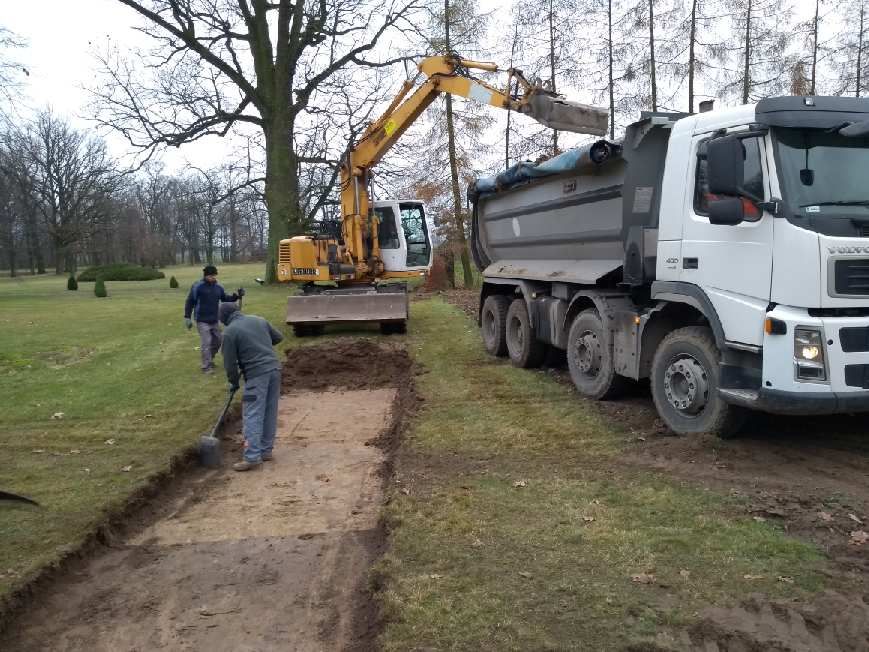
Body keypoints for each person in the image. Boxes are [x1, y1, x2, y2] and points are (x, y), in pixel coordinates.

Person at [218, 302, 284, 472]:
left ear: (224, 318)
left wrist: (233, 382)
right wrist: (260, 347)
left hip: (256, 375)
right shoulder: (258, 320)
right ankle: (265, 451)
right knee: (270, 411)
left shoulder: (230, 332)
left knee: (252, 414)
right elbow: (278, 338)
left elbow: (230, 364)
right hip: (274, 370)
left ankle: (252, 456)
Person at [183, 265, 242, 373]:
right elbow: (190, 301)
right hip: (201, 320)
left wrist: (236, 296)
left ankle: (210, 359)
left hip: (214, 319)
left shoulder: (218, 287)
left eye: (214, 276)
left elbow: (225, 298)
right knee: (207, 342)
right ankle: (206, 367)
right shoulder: (197, 286)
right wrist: (187, 317)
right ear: (205, 276)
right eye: (211, 276)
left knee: (219, 341)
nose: (213, 278)